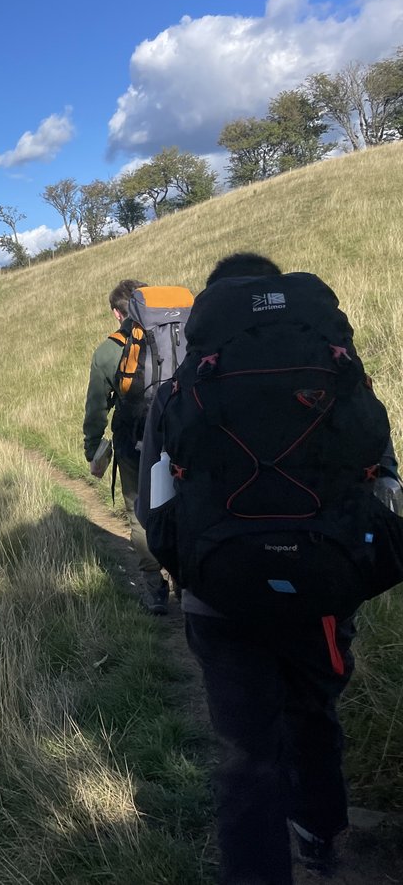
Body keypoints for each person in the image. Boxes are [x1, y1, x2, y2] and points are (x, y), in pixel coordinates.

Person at [137, 252, 400, 884]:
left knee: (245, 749)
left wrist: (191, 574)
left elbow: (154, 511)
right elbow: (384, 483)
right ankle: (319, 834)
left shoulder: (180, 389)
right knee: (313, 712)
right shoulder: (338, 371)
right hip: (325, 590)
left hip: (219, 598)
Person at [81, 279, 167, 613]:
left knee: (139, 513)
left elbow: (96, 407)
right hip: (180, 435)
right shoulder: (179, 333)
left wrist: (93, 449)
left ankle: (155, 588)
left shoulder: (107, 351)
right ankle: (189, 584)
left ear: (118, 314)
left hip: (134, 441)